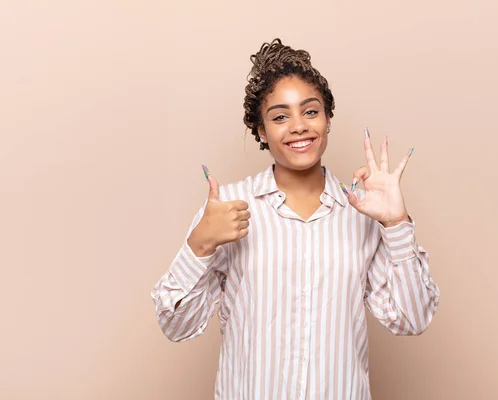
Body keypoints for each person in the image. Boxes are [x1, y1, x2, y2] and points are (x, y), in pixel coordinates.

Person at [151, 38, 440, 399]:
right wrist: (200, 245)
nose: (299, 126)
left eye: (310, 111)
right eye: (280, 116)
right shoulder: (228, 207)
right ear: (261, 130)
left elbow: (413, 318)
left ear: (328, 119)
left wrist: (397, 223)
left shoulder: (362, 212)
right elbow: (176, 326)